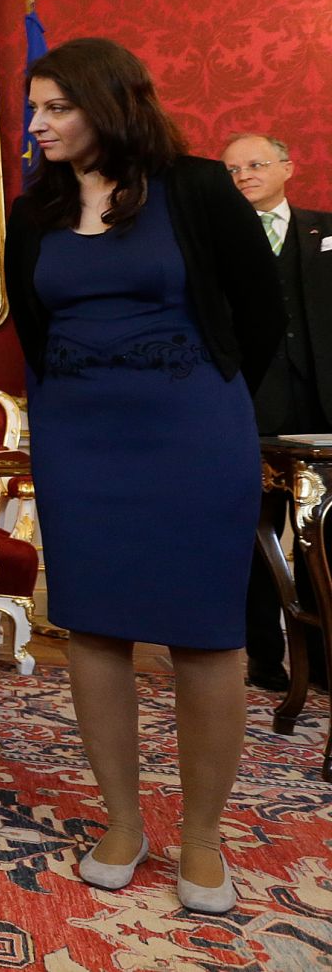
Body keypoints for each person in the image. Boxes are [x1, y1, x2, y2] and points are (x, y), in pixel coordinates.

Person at [8, 39, 283, 913]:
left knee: (206, 634)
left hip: (193, 435)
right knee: (93, 627)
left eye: (57, 107)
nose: (38, 123)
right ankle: (122, 822)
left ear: (112, 104)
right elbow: (33, 325)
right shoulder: (36, 210)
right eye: (35, 107)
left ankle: (202, 837)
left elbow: (262, 314)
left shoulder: (197, 188)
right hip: (79, 442)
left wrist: (209, 397)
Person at [220, 132, 330, 691]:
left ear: (287, 166)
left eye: (256, 164)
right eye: (232, 169)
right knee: (255, 539)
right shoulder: (216, 240)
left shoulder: (325, 230)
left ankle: (324, 661)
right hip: (250, 407)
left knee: (324, 538)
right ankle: (265, 658)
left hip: (322, 407)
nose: (244, 175)